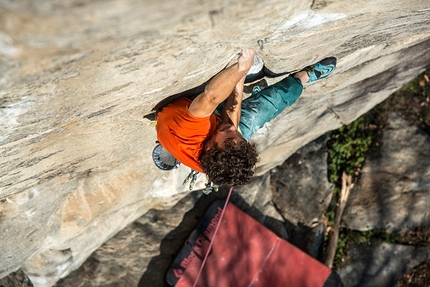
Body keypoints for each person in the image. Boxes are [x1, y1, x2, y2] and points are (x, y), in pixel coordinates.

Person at [156, 49, 336, 187]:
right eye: (240, 139)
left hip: (194, 115)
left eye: (230, 139)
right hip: (213, 125)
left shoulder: (190, 135)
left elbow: (210, 96)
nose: (234, 131)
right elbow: (230, 124)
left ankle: (272, 86)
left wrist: (242, 66)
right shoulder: (222, 152)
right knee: (268, 106)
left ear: (210, 150)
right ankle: (302, 78)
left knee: (246, 112)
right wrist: (240, 78)